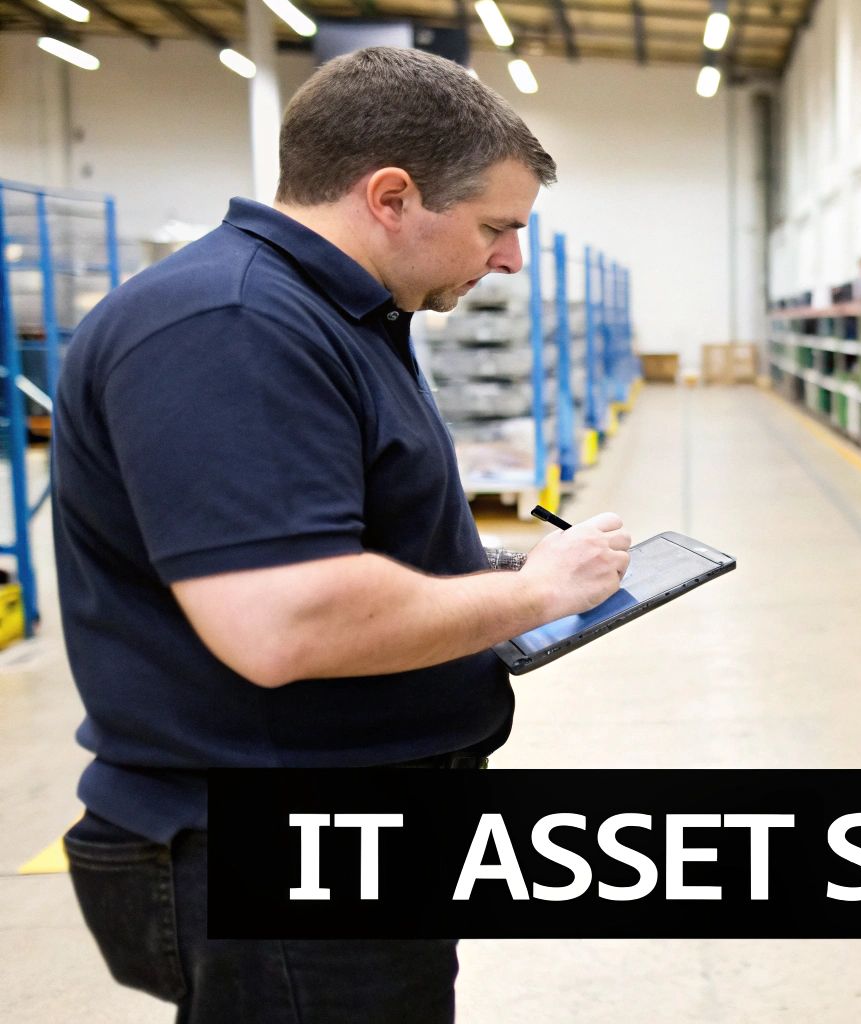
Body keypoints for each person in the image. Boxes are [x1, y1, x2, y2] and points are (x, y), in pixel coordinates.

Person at [51, 47, 631, 1023]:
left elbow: (350, 539)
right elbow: (283, 621)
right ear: (392, 196)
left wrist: (483, 573)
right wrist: (534, 594)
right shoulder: (231, 323)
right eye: (496, 227)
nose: (509, 259)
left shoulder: (335, 316)